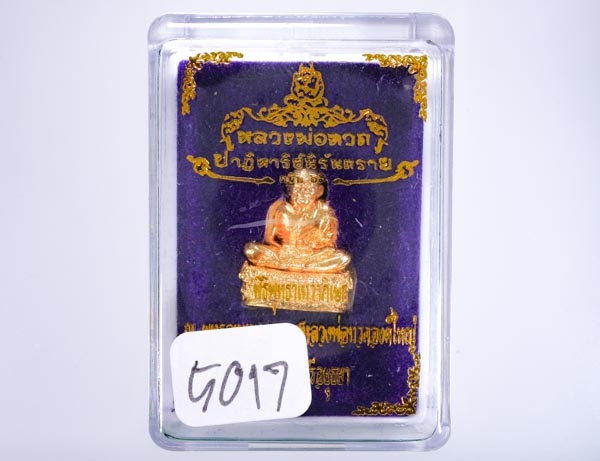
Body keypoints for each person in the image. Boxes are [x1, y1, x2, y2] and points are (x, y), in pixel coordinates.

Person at [244, 169, 351, 273]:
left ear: (319, 191)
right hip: (284, 253)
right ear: (289, 190)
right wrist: (284, 250)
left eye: (308, 188)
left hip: (312, 256)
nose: (302, 192)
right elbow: (268, 239)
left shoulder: (324, 211)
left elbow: (329, 246)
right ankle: (303, 267)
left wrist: (310, 249)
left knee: (343, 257)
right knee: (251, 249)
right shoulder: (278, 207)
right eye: (298, 187)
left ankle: (294, 267)